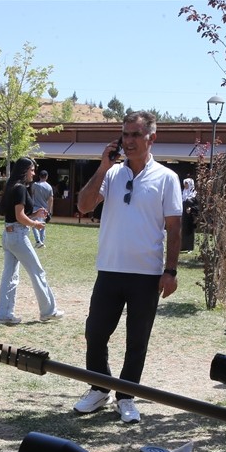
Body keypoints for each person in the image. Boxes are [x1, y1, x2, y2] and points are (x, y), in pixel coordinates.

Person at [73, 110, 182, 424]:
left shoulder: (166, 178)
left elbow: (174, 228)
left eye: (136, 134)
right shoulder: (111, 174)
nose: (129, 141)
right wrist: (103, 166)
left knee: (137, 341)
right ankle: (98, 388)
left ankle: (126, 396)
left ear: (151, 138)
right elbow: (83, 205)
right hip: (110, 269)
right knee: (95, 333)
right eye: (125, 134)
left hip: (147, 275)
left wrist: (170, 271)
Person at [0, 157, 61, 325]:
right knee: (37, 272)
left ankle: (4, 313)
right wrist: (35, 223)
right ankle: (48, 311)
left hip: (9, 235)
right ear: (24, 170)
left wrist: (34, 215)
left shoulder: (11, 187)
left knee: (9, 275)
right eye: (31, 170)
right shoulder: (21, 189)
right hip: (17, 236)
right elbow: (19, 216)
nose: (34, 173)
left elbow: (15, 216)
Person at [30, 169, 53, 248]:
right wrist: (49, 211)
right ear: (46, 177)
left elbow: (32, 195)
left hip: (36, 207)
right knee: (43, 225)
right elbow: (51, 199)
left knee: (34, 225)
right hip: (44, 208)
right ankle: (42, 241)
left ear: (39, 176)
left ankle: (38, 241)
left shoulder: (35, 185)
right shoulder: (49, 187)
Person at [181, 177, 197, 251]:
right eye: (185, 184)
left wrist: (191, 208)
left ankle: (189, 247)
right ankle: (183, 246)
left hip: (190, 215)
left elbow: (196, 204)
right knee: (183, 229)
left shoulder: (194, 193)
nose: (185, 185)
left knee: (189, 229)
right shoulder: (184, 192)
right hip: (184, 214)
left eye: (187, 184)